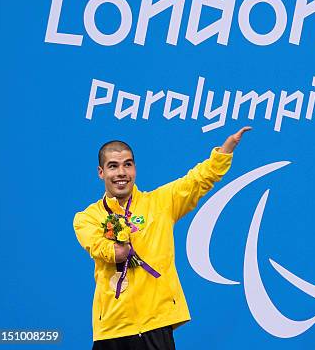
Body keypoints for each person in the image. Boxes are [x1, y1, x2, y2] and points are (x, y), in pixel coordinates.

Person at [73, 127, 252, 350]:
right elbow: (100, 247)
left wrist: (225, 151)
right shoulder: (87, 218)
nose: (121, 173)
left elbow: (197, 180)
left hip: (156, 325)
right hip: (112, 328)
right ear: (101, 172)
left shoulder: (160, 203)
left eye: (127, 164)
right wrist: (117, 249)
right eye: (113, 166)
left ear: (135, 169)